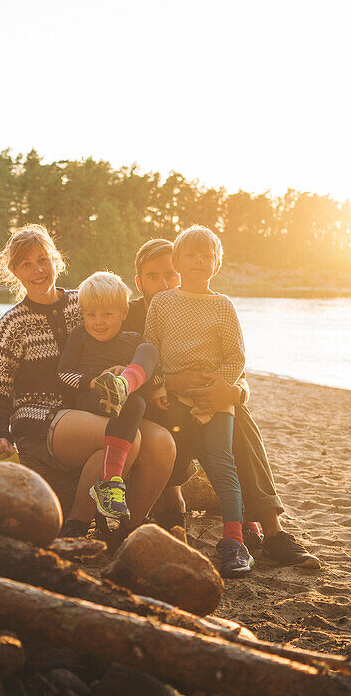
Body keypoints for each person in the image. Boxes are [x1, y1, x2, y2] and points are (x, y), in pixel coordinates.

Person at [0, 225, 175, 539]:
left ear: (57, 260)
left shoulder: (82, 301)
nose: (38, 270)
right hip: (41, 418)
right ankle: (76, 526)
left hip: (97, 405)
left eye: (43, 259)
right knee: (129, 438)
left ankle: (129, 528)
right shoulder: (11, 324)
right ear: (14, 271)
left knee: (162, 442)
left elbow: (127, 329)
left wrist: (126, 369)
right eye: (26, 264)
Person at [144, 226, 253, 578]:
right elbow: (151, 349)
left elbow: (236, 357)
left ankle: (234, 542)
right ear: (177, 261)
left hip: (215, 399)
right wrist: (159, 386)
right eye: (191, 255)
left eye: (207, 256)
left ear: (216, 264)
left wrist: (217, 388)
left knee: (223, 463)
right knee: (169, 457)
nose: (199, 261)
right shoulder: (162, 303)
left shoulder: (222, 306)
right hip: (173, 399)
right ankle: (155, 527)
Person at [57, 271, 164, 522]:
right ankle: (109, 482)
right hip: (90, 399)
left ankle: (124, 384)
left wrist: (126, 376)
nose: (98, 322)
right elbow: (63, 374)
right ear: (82, 314)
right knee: (129, 401)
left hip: (126, 399)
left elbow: (155, 376)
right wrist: (93, 382)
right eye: (90, 315)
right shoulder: (80, 337)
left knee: (147, 353)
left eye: (107, 314)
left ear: (124, 313)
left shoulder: (133, 340)